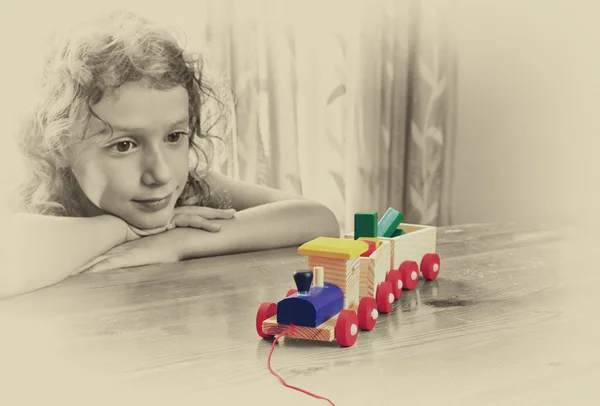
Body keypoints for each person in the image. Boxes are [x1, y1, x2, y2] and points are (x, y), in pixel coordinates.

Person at [0, 10, 340, 299]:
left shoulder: (191, 189)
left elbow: (319, 220)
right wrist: (120, 230)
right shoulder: (32, 200)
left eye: (174, 136)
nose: (160, 173)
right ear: (59, 145)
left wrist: (177, 242)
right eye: (124, 145)